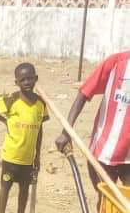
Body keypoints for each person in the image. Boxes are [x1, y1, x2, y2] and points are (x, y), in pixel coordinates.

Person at [0, 62, 47, 213]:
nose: (27, 82)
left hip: (28, 157)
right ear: (16, 83)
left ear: (36, 79)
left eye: (30, 78)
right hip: (11, 155)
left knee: (24, 188)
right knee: (6, 186)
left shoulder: (41, 103)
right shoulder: (12, 99)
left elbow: (40, 128)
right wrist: (6, 121)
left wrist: (37, 156)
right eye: (22, 79)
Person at [55, 47, 130, 189]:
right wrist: (66, 132)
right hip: (105, 151)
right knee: (105, 201)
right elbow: (84, 93)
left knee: (126, 206)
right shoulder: (116, 63)